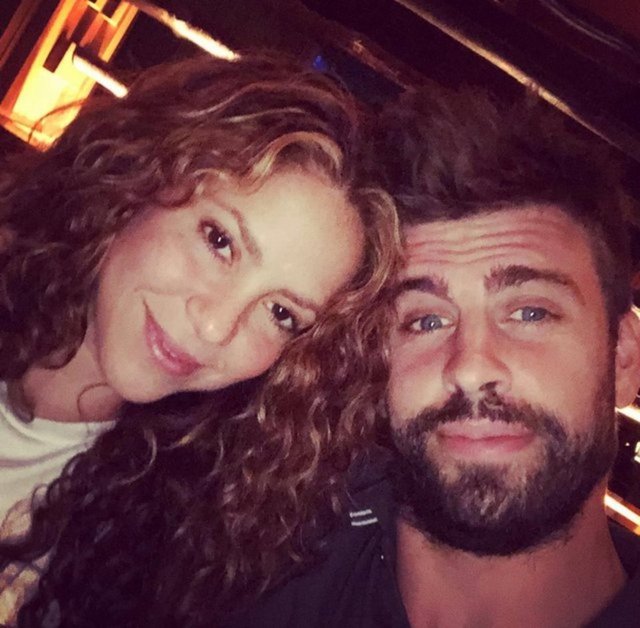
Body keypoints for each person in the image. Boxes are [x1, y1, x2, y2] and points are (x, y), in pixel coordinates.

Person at [0, 54, 400, 624]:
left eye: (281, 313)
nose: (215, 327)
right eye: (219, 241)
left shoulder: (167, 544)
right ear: (137, 181)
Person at [221, 88, 640, 627]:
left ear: (623, 357)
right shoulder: (241, 545)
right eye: (425, 321)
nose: (470, 367)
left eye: (530, 313)